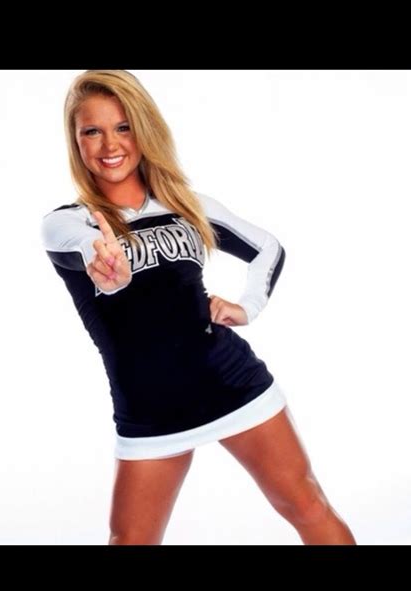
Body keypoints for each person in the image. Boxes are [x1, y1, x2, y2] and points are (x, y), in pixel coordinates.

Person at [40, 69, 357, 545]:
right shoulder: (66, 224)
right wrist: (103, 259)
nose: (110, 144)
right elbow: (85, 248)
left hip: (232, 382)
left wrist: (246, 307)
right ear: (76, 141)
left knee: (306, 503)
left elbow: (268, 248)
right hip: (149, 409)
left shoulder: (188, 205)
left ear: (144, 129)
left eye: (123, 127)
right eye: (93, 131)